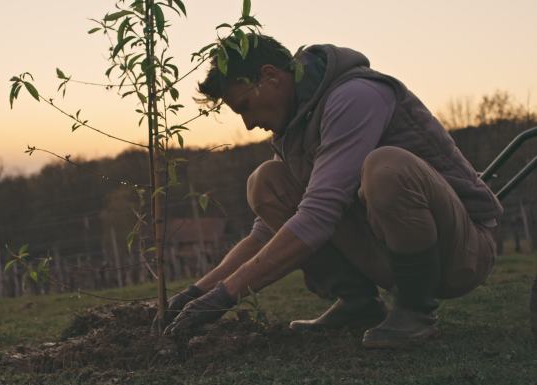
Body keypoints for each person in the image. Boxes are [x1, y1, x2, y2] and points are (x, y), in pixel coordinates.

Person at [160, 35, 502, 349]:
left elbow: (318, 215)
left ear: (270, 76)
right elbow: (270, 229)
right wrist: (197, 292)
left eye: (245, 106)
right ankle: (358, 303)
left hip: (460, 251)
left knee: (386, 167)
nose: (248, 125)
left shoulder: (355, 96)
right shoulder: (294, 126)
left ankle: (416, 311)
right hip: (386, 250)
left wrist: (225, 297)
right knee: (266, 182)